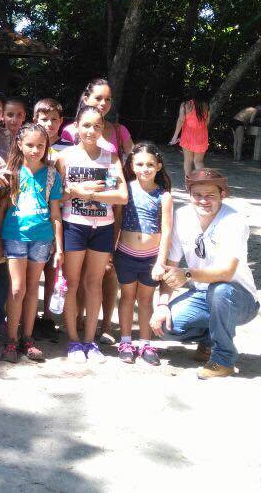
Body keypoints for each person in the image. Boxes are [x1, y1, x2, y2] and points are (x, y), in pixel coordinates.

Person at [151, 169, 260, 379]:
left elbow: (226, 273)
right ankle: (210, 338)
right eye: (197, 195)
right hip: (202, 294)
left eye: (210, 195)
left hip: (239, 298)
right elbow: (171, 267)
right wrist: (162, 304)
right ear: (189, 195)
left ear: (222, 194)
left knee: (220, 290)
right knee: (164, 326)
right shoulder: (182, 217)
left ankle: (223, 359)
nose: (203, 201)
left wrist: (188, 274)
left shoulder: (234, 221)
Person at [61, 78, 134, 344]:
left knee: (99, 278)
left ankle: (96, 334)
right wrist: (76, 191)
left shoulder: (113, 148)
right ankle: (73, 333)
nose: (92, 130)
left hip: (104, 222)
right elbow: (58, 192)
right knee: (73, 281)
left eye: (98, 126)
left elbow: (124, 191)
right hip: (73, 222)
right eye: (87, 126)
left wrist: (88, 192)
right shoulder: (66, 150)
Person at [0, 124, 62, 364]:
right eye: (30, 145)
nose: (35, 150)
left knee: (33, 288)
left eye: (40, 146)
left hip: (42, 238)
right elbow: (1, 209)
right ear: (20, 145)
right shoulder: (10, 173)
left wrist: (60, 248)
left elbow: (55, 214)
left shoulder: (52, 174)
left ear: (47, 147)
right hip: (14, 235)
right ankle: (10, 339)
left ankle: (27, 338)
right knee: (17, 288)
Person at [114, 143, 173, 365]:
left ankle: (146, 343)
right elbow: (117, 221)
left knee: (146, 299)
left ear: (158, 166)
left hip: (151, 258)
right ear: (131, 165)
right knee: (127, 297)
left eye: (150, 164)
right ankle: (126, 341)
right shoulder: (126, 190)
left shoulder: (164, 196)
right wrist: (112, 251)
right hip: (125, 254)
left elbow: (167, 231)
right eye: (139, 164)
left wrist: (161, 262)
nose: (145, 168)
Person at [33, 97, 66, 341]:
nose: (50, 123)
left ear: (61, 122)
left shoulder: (68, 149)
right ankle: (30, 316)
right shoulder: (29, 145)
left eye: (54, 119)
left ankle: (48, 317)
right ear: (35, 120)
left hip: (58, 215)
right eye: (44, 119)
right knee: (32, 271)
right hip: (32, 218)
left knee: (51, 270)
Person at [170, 94, 210, 181]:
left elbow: (181, 120)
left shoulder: (185, 105)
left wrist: (175, 136)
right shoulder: (206, 106)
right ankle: (202, 183)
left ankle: (188, 184)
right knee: (198, 161)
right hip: (202, 137)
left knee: (188, 161)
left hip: (188, 136)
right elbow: (207, 122)